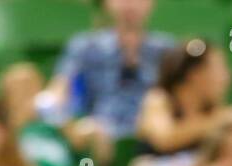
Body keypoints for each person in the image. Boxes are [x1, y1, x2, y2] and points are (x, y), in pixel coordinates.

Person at [43, 0, 174, 143]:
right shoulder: (85, 47)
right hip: (98, 133)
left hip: (153, 134)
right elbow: (57, 92)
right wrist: (66, 122)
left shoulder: (167, 50)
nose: (130, 4)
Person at [133, 39, 232, 166]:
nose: (227, 77)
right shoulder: (158, 100)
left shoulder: (215, 110)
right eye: (220, 69)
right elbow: (165, 138)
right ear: (195, 74)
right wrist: (219, 121)